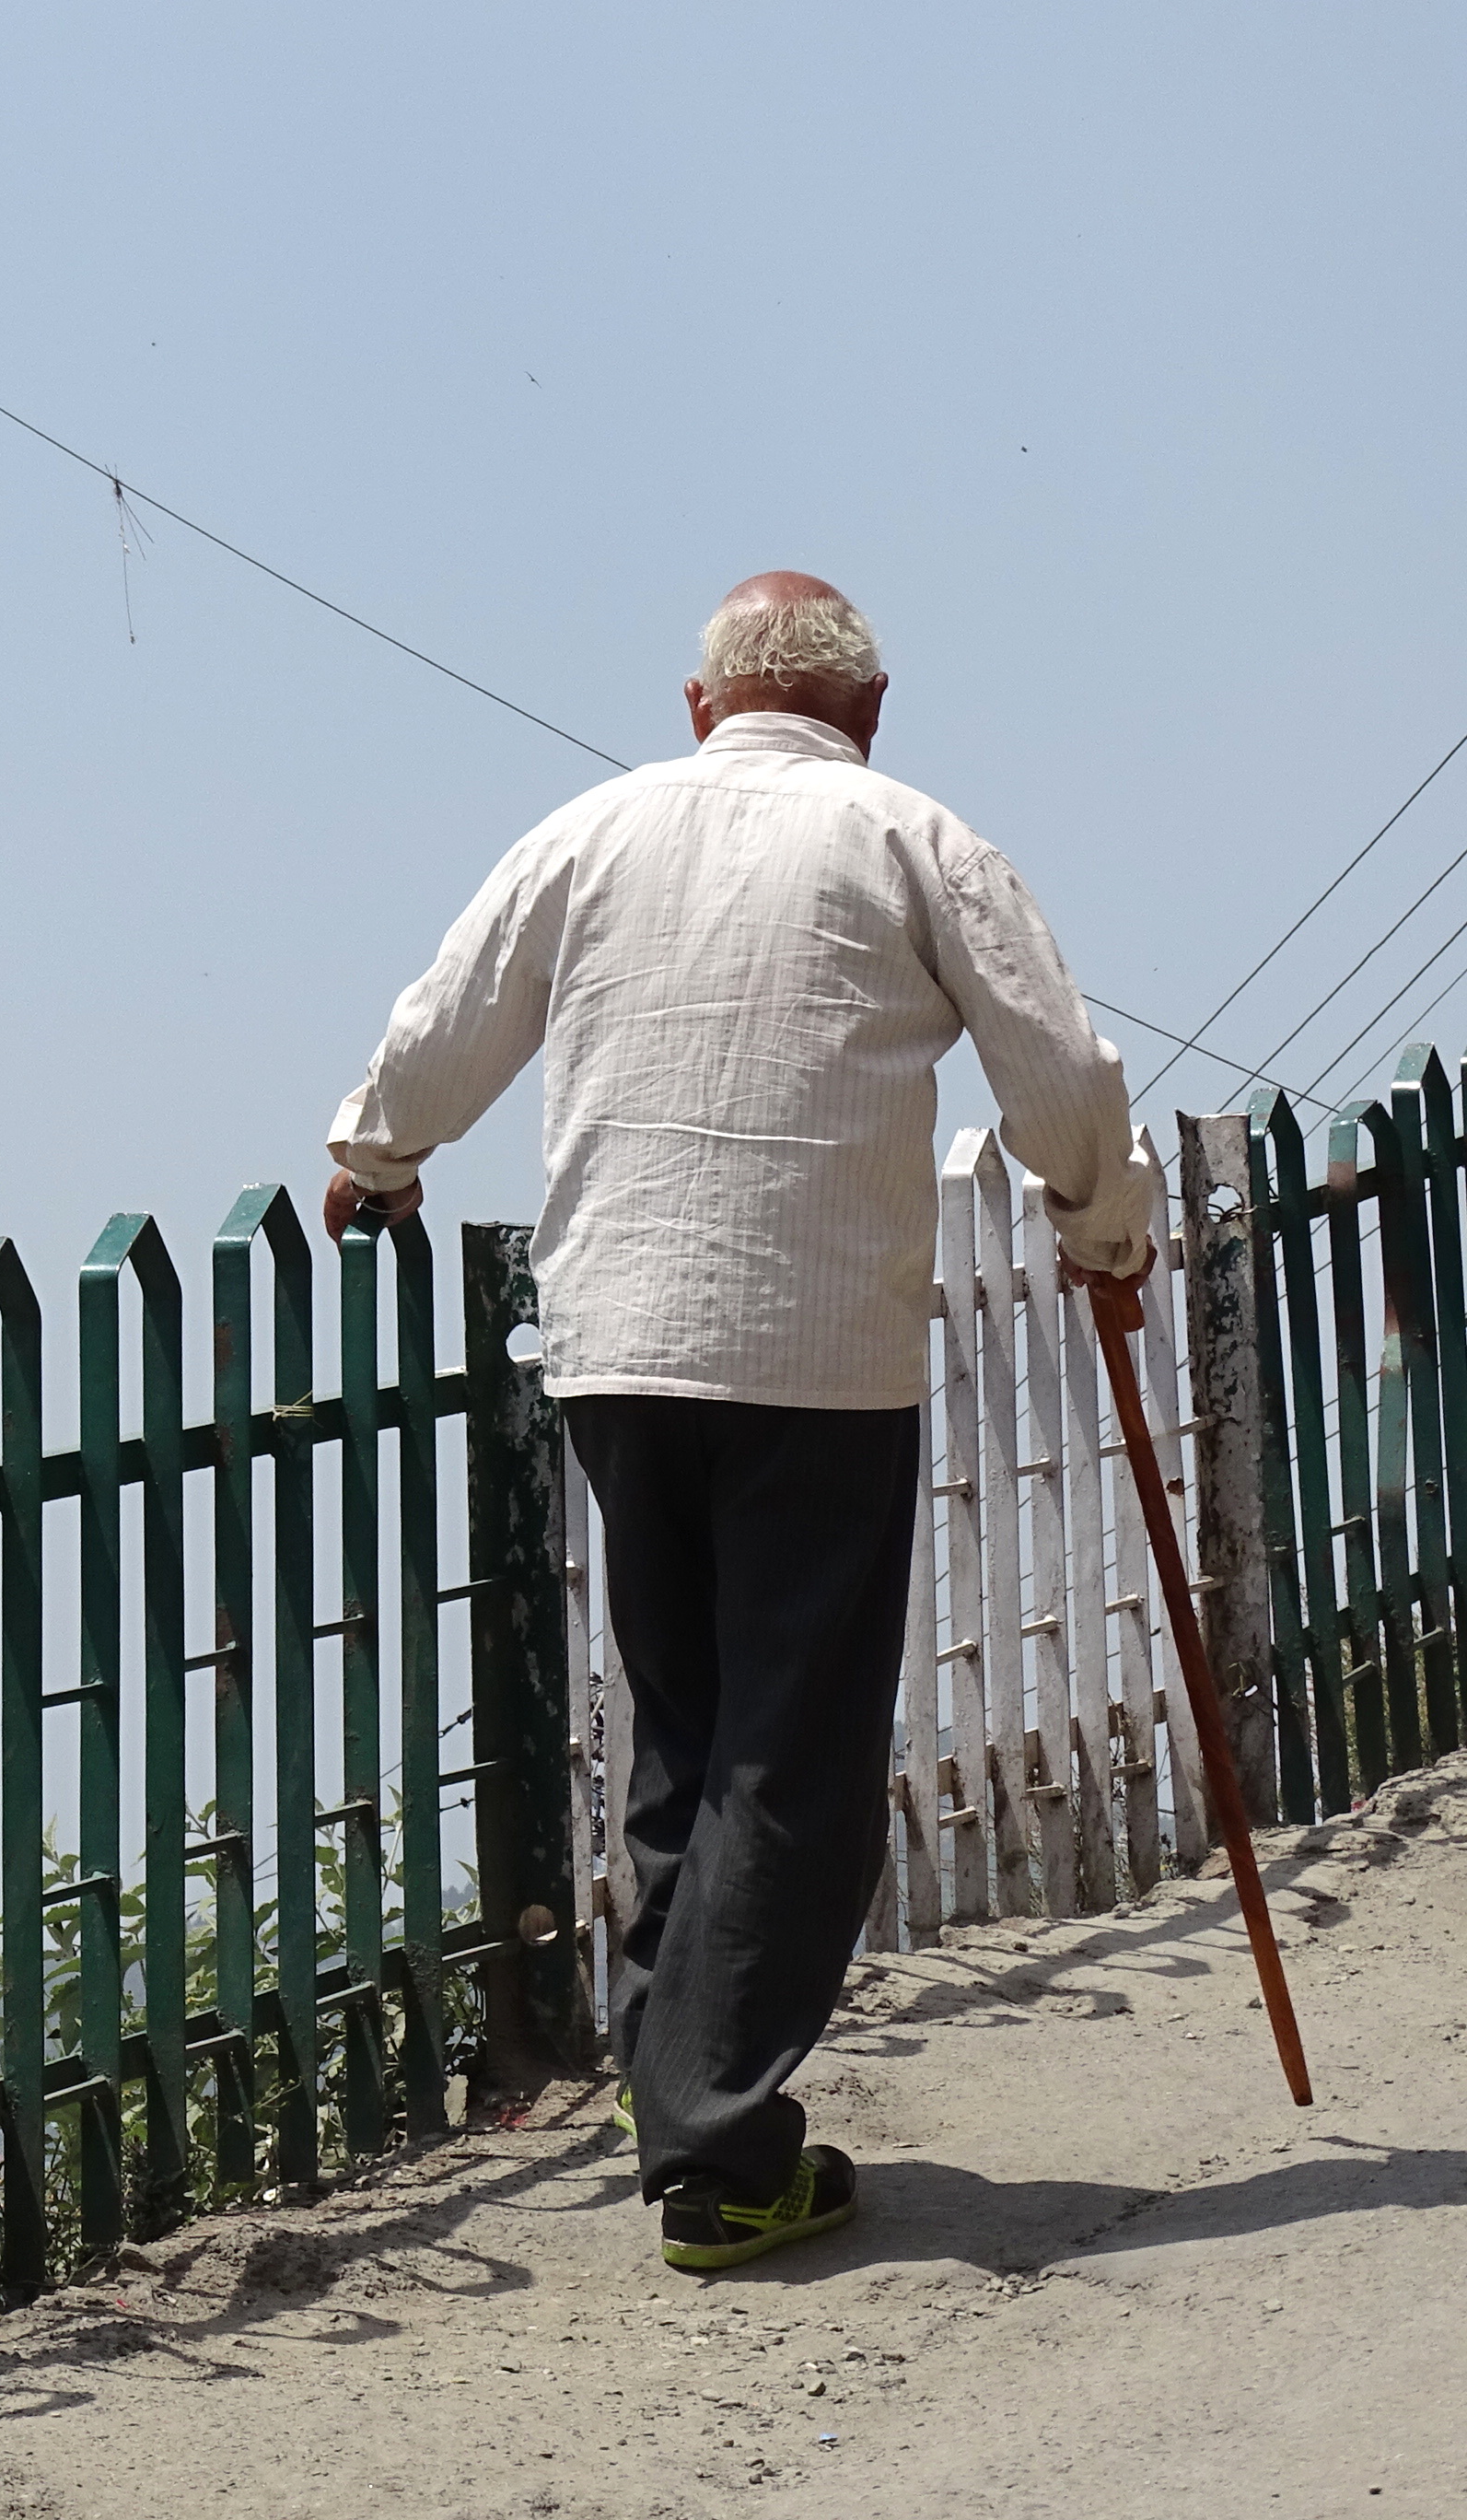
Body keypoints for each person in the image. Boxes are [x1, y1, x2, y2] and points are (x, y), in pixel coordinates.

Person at [324, 572, 1154, 2270]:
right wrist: (1105, 1232)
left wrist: (376, 1149)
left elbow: (455, 1006)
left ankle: (680, 2088)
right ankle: (712, 2143)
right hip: (816, 1357)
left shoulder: (597, 830)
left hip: (622, 1346)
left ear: (702, 705)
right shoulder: (915, 835)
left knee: (686, 1733)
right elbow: (1059, 1076)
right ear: (869, 706)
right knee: (798, 1749)